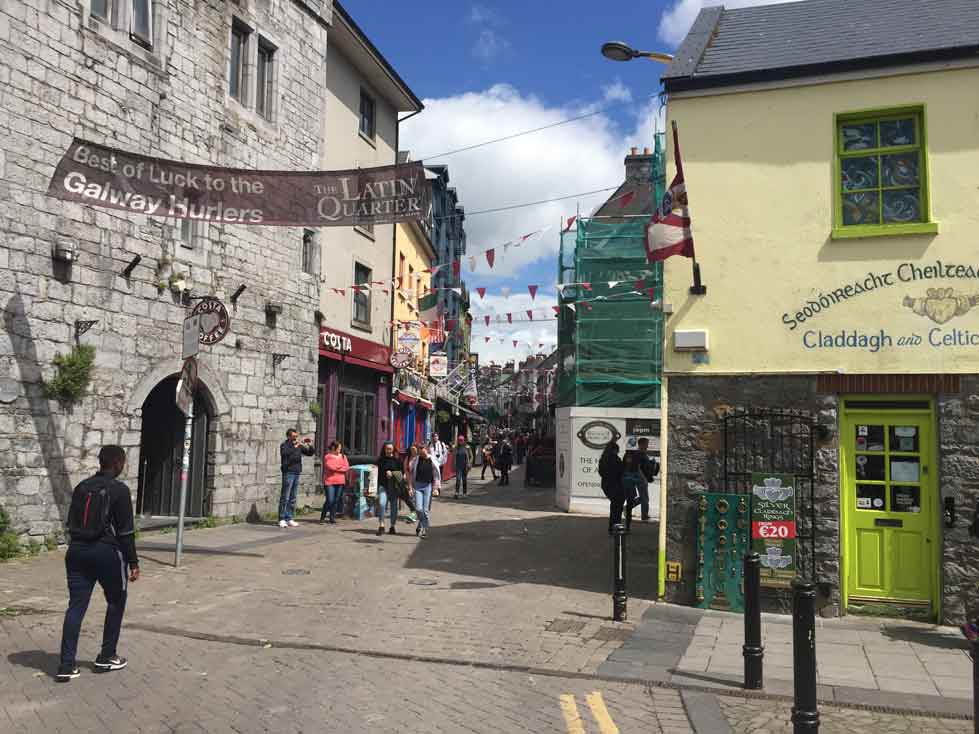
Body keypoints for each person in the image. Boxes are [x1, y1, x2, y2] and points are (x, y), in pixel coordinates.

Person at [57, 445, 140, 681]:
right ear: (117, 463)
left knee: (76, 606)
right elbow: (125, 532)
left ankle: (66, 665)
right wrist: (133, 562)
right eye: (122, 462)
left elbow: (72, 521)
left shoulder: (82, 487)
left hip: (76, 552)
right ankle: (106, 656)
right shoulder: (119, 490)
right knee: (116, 600)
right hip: (106, 553)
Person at [279, 428, 314, 528]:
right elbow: (285, 454)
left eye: (296, 436)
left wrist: (310, 445)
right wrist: (295, 446)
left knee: (293, 497)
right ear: (289, 436)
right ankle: (281, 518)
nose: (295, 438)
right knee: (285, 497)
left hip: (296, 472)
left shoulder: (298, 446)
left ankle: (289, 517)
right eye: (294, 436)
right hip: (288, 472)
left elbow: (309, 453)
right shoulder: (284, 445)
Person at [598, 441, 630, 533]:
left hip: (606, 485)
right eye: (617, 450)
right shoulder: (615, 459)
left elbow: (601, 472)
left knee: (615, 506)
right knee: (617, 507)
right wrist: (626, 463)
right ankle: (615, 527)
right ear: (614, 450)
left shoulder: (603, 459)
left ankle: (612, 527)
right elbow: (621, 471)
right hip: (615, 486)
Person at [409, 444, 440, 539]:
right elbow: (410, 471)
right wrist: (410, 487)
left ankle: (424, 529)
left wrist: (436, 488)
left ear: (426, 450)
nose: (421, 454)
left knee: (425, 510)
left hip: (428, 487)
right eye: (419, 452)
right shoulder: (417, 459)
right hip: (418, 486)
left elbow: (436, 475)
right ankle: (421, 525)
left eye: (422, 452)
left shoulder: (432, 460)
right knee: (419, 509)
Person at [627, 437, 660, 523]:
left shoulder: (643, 453)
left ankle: (628, 508)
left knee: (643, 498)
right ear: (641, 444)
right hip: (640, 479)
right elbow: (638, 468)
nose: (647, 445)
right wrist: (643, 479)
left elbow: (645, 466)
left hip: (642, 478)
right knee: (645, 498)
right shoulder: (638, 453)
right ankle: (644, 517)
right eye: (646, 444)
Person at [375, 441, 404, 536]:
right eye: (387, 448)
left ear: (393, 449)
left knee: (394, 508)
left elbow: (402, 474)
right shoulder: (380, 460)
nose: (388, 450)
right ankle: (381, 525)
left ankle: (392, 526)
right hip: (383, 486)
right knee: (382, 504)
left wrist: (393, 474)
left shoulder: (397, 460)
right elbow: (376, 474)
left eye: (390, 449)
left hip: (394, 488)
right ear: (384, 449)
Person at [320, 441, 349, 524]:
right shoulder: (327, 457)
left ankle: (332, 518)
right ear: (333, 448)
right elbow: (330, 467)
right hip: (330, 481)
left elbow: (346, 467)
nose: (340, 449)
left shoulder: (343, 456)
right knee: (330, 500)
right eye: (338, 448)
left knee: (336, 500)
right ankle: (323, 516)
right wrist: (340, 468)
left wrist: (338, 468)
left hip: (340, 481)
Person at [402, 444, 419, 524]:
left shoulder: (420, 458)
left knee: (417, 498)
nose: (413, 451)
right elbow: (406, 470)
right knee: (410, 497)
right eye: (411, 449)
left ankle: (415, 514)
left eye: (414, 449)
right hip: (410, 480)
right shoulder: (408, 458)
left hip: (419, 480)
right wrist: (405, 476)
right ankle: (414, 512)